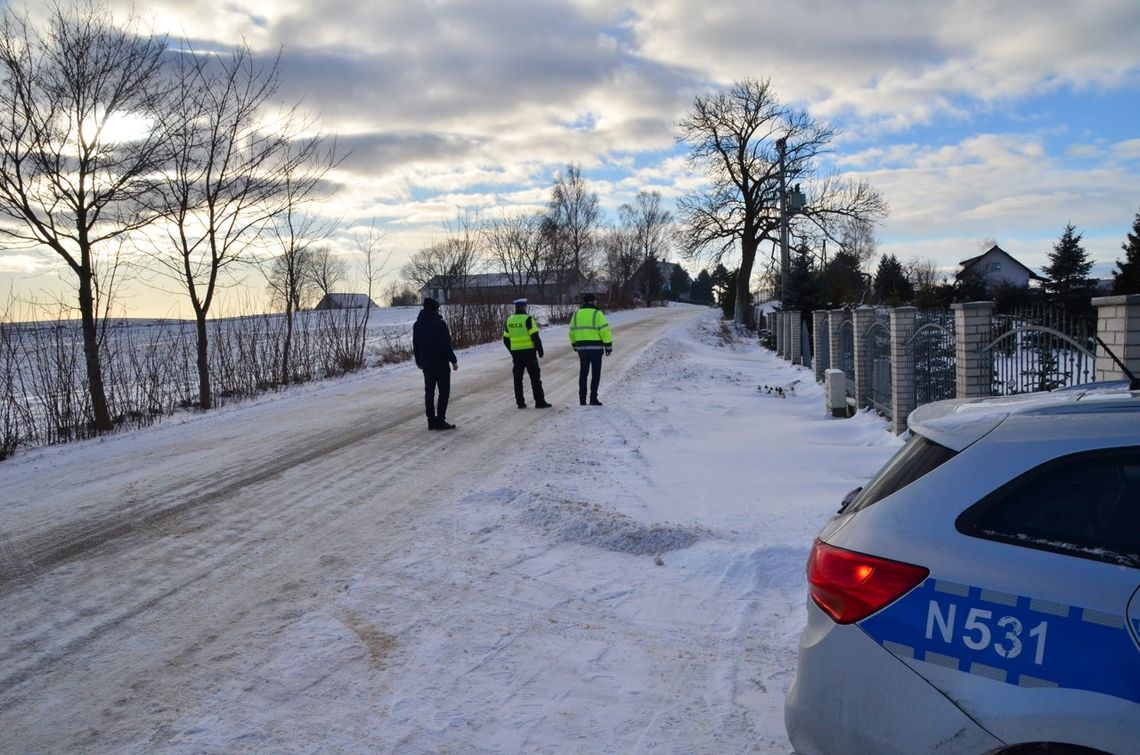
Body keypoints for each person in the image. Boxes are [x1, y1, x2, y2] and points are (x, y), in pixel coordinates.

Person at [412, 297, 458, 430]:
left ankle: (431, 421)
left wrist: (419, 361)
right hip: (441, 364)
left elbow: (416, 344)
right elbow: (445, 345)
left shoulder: (418, 325)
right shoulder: (439, 324)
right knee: (444, 392)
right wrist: (453, 360)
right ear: (434, 309)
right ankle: (440, 420)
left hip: (426, 364)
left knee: (429, 392)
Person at [502, 298, 552, 409]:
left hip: (516, 354)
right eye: (526, 306)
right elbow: (535, 336)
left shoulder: (509, 320)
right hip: (529, 353)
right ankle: (539, 402)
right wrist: (540, 350)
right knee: (535, 378)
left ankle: (520, 403)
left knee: (518, 379)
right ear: (523, 307)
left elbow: (505, 339)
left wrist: (512, 350)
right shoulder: (528, 319)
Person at [568, 292, 612, 406]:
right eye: (595, 300)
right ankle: (593, 398)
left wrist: (574, 345)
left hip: (582, 349)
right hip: (596, 349)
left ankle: (582, 399)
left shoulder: (577, 314)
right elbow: (604, 331)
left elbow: (571, 331)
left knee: (583, 373)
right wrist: (608, 346)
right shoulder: (597, 314)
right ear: (593, 301)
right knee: (595, 374)